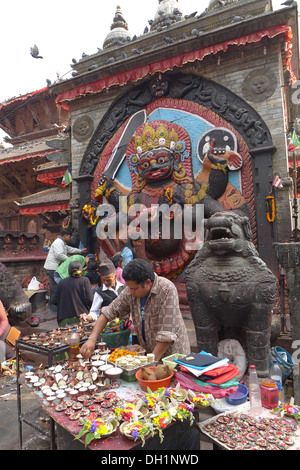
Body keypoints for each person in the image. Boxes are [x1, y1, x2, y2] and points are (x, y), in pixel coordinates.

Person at [80, 259, 191, 362]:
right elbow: (108, 312)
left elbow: (167, 334)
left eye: (134, 288)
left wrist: (149, 363)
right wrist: (92, 339)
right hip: (149, 354)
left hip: (172, 357)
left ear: (147, 282)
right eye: (129, 288)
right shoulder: (130, 291)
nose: (131, 292)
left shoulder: (166, 289)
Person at [44, 229, 87, 313]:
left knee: (56, 288)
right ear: (65, 236)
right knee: (54, 288)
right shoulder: (58, 242)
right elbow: (59, 255)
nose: (70, 238)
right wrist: (70, 260)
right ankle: (54, 309)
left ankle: (56, 307)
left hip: (54, 267)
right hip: (51, 268)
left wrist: (80, 251)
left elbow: (69, 249)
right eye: (69, 237)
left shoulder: (62, 243)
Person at [52, 260, 94, 327]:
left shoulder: (62, 283)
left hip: (64, 321)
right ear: (81, 271)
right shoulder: (85, 281)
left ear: (69, 271)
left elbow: (54, 300)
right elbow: (90, 299)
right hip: (82, 318)